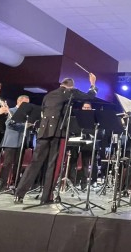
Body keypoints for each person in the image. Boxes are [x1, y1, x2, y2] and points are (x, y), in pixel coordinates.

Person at [14, 74, 98, 204]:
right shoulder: (70, 92)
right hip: (58, 132)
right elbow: (89, 96)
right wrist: (92, 84)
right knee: (52, 165)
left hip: (44, 131)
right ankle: (46, 197)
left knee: (34, 163)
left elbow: (43, 110)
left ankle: (19, 194)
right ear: (71, 86)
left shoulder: (48, 95)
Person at [0, 95, 31, 190]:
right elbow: (8, 124)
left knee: (18, 164)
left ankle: (16, 184)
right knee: (7, 163)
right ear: (19, 102)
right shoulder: (11, 110)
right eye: (25, 103)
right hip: (11, 141)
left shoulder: (26, 114)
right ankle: (3, 185)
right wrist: (24, 125)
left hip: (21, 142)